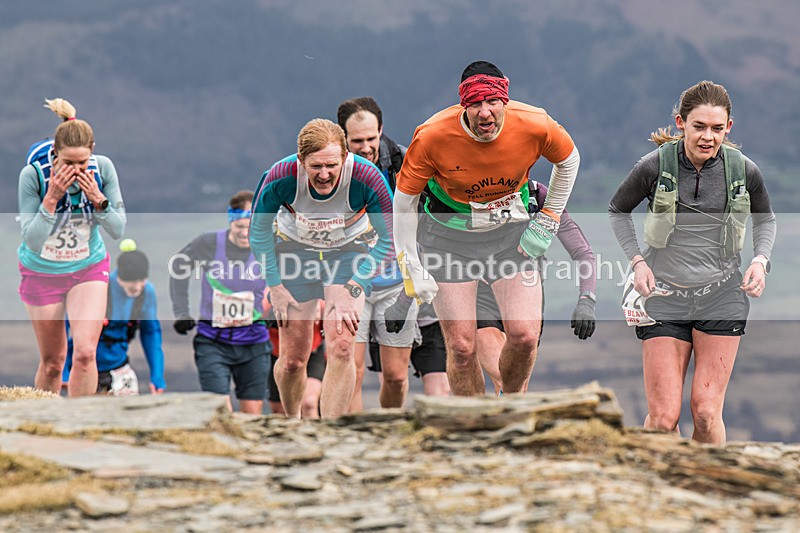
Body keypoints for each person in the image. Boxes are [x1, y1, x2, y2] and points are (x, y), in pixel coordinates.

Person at [393, 61, 580, 396]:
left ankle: (509, 405)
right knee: (462, 348)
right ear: (463, 105)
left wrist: (548, 218)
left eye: (492, 102)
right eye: (475, 104)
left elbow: (568, 160)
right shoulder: (432, 136)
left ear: (505, 100)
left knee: (523, 337)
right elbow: (404, 202)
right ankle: (473, 428)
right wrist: (410, 266)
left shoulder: (535, 123)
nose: (484, 113)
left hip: (511, 234)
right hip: (448, 238)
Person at [608, 80, 776, 445]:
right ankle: (661, 493)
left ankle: (710, 492)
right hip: (665, 296)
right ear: (680, 122)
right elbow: (617, 211)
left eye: (717, 128)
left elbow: (767, 220)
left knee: (705, 411)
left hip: (722, 295)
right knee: (665, 417)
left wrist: (760, 261)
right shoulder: (653, 166)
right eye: (699, 126)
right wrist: (638, 261)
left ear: (728, 127)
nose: (708, 137)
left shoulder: (744, 170)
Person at [249, 118, 395, 418]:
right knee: (293, 360)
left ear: (345, 157)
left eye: (332, 165)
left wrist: (355, 284)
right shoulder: (280, 175)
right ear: (301, 160)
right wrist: (274, 287)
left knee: (342, 346)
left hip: (347, 254)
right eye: (316, 167)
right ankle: (292, 424)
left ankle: (331, 432)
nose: (325, 175)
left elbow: (391, 238)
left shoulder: (367, 176)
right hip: (294, 254)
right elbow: (258, 233)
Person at [18, 98, 126, 396]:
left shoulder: (102, 170)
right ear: (55, 155)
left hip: (87, 267)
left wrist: (98, 200)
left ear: (92, 153)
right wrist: (51, 198)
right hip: (42, 271)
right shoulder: (33, 176)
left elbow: (117, 229)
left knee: (85, 354)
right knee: (53, 363)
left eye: (82, 163)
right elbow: (32, 239)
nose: (76, 170)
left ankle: (81, 425)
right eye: (68, 163)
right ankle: (44, 425)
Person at [474, 181, 597, 394]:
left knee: (517, 386)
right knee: (504, 376)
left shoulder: (537, 195)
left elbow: (583, 252)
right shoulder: (467, 190)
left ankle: (507, 419)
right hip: (480, 290)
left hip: (525, 291)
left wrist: (587, 298)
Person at [337, 97, 418, 410]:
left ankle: (391, 434)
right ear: (343, 137)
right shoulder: (332, 169)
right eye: (357, 141)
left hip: (397, 283)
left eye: (372, 138)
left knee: (396, 376)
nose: (366, 147)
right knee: (351, 370)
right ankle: (353, 440)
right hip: (349, 282)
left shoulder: (403, 162)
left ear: (381, 130)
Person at [169, 191, 271, 414]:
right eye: (240, 227)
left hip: (254, 342)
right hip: (213, 341)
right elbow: (178, 269)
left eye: (250, 228)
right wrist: (181, 312)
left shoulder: (268, 247)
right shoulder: (209, 243)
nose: (245, 234)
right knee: (220, 411)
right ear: (230, 221)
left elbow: (285, 283)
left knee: (252, 414)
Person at [63, 243, 166, 395]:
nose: (137, 288)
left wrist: (157, 376)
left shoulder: (146, 292)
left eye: (142, 282)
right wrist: (63, 371)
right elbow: (65, 326)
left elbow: (151, 332)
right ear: (119, 279)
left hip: (119, 368)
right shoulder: (99, 288)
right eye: (132, 286)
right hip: (83, 367)